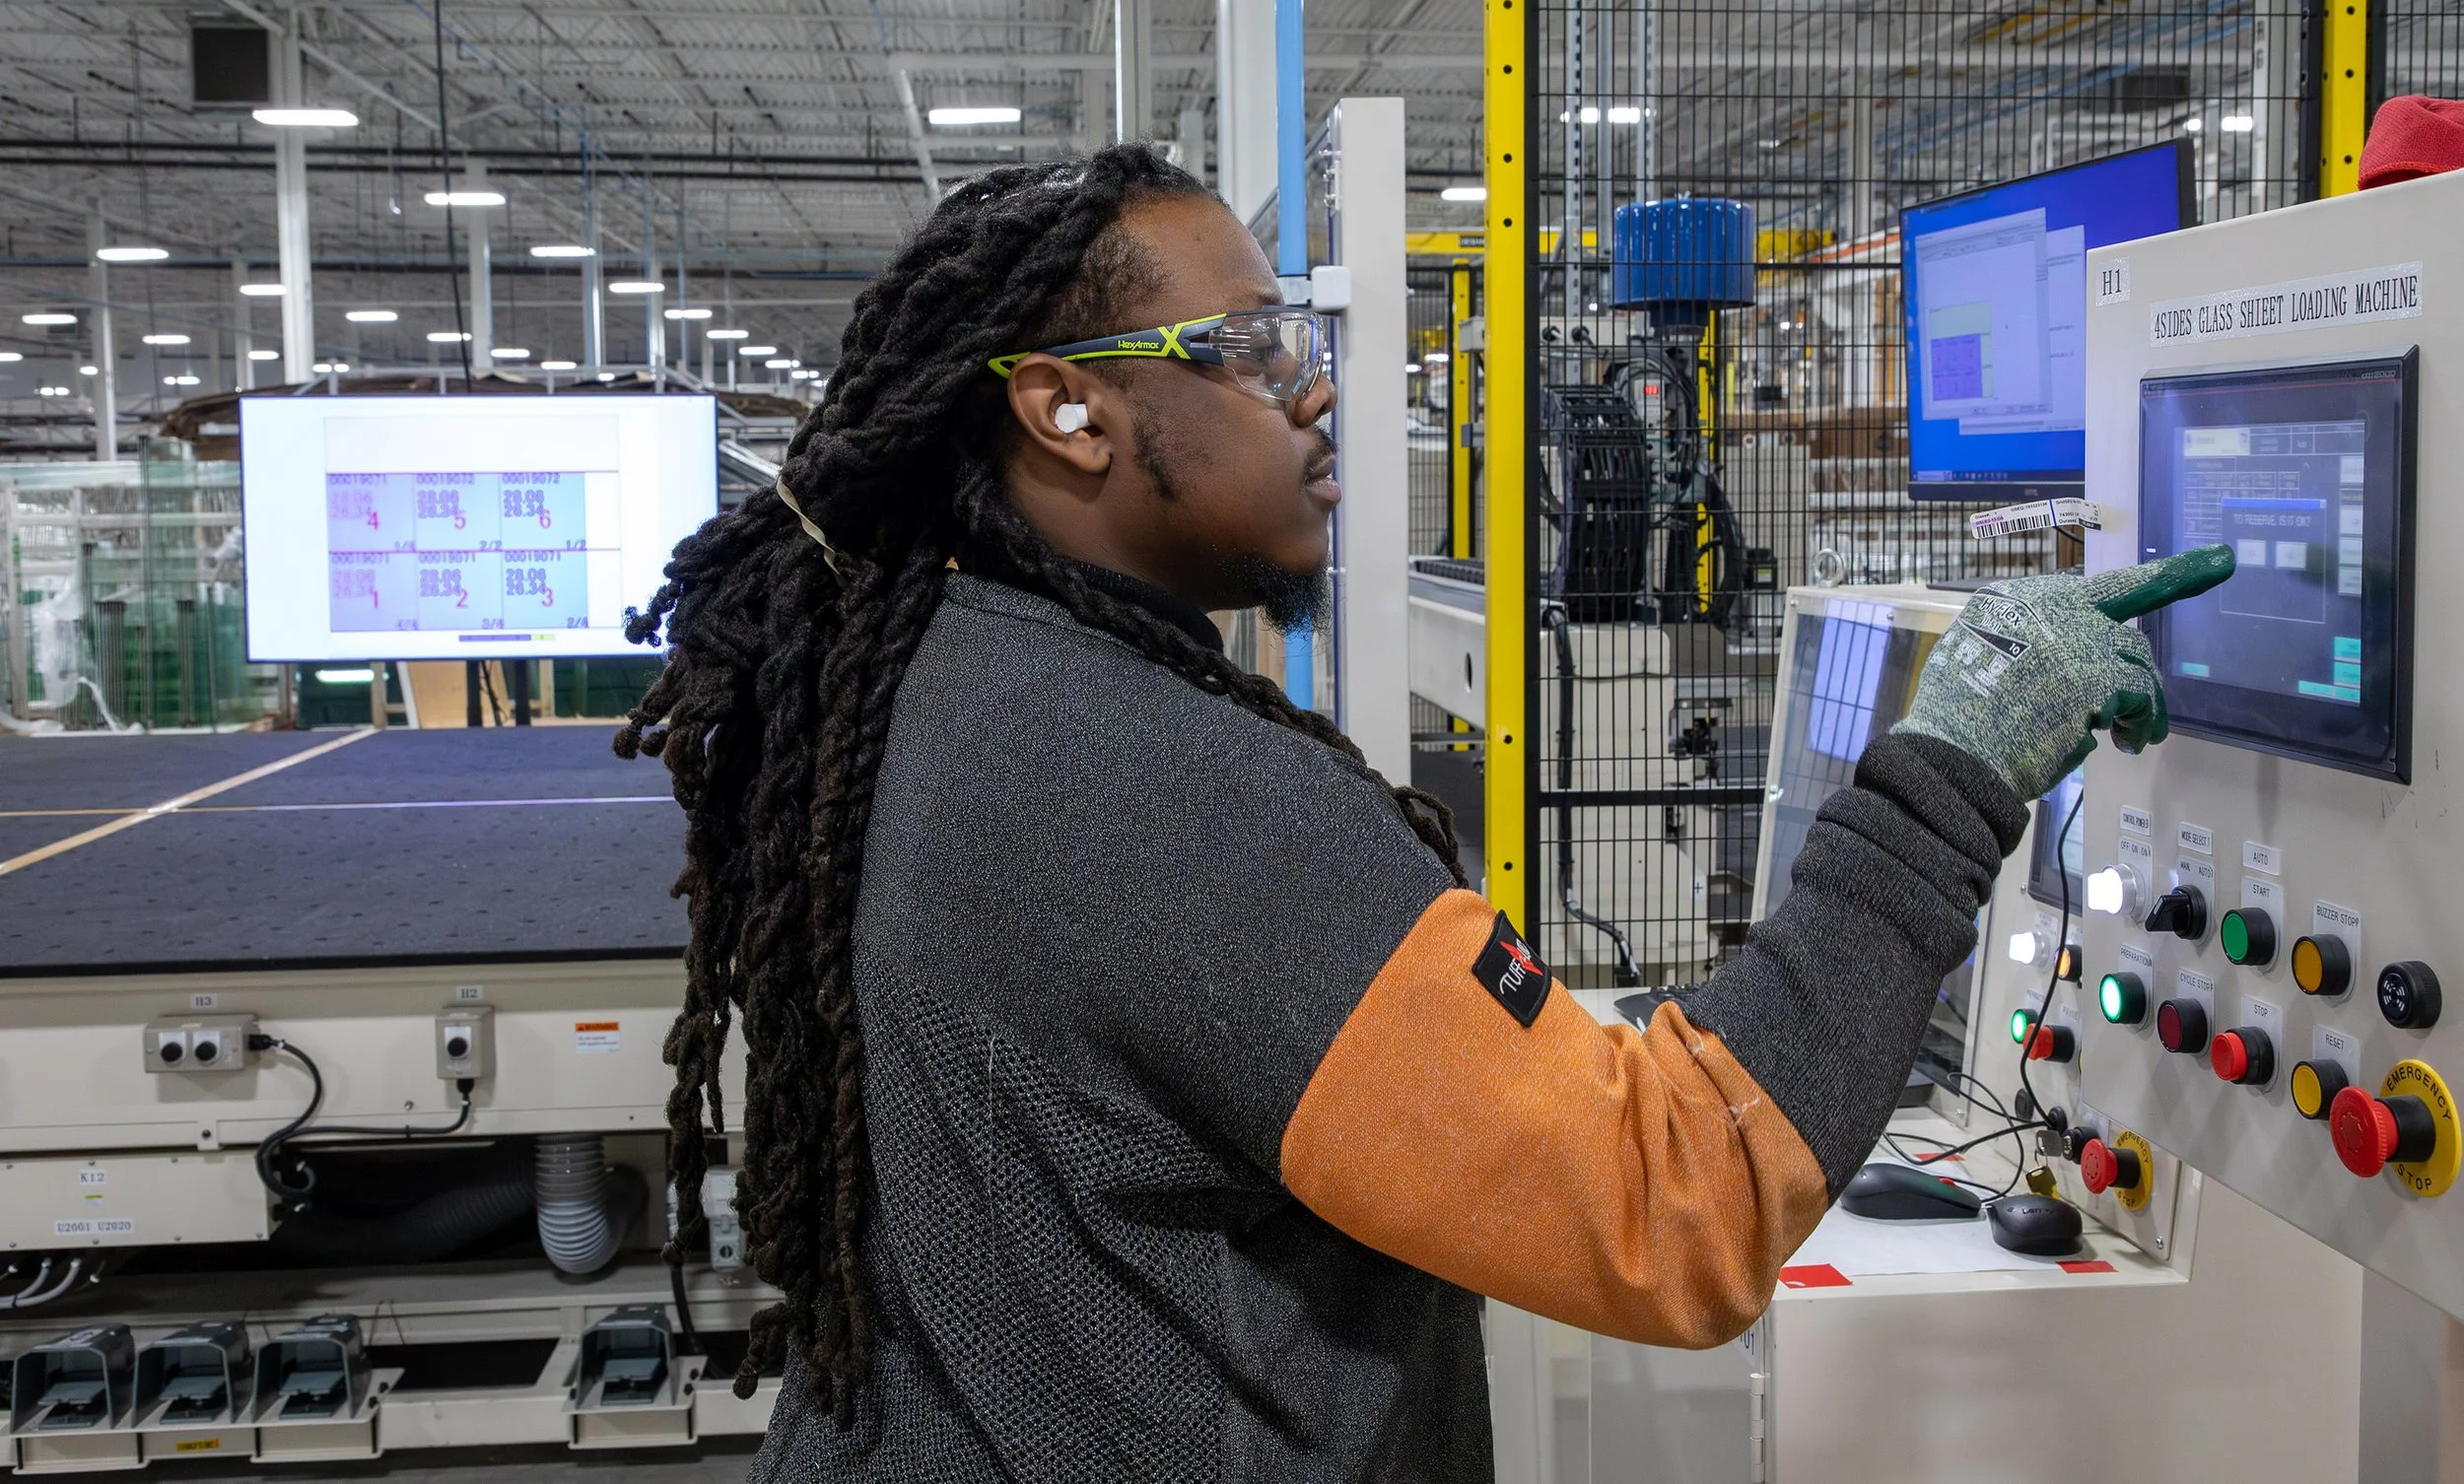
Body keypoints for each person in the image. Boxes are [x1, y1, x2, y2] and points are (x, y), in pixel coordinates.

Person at [618, 145, 2231, 1483]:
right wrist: (1947, 772)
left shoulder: (939, 675)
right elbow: (1673, 1203)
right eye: (1249, 351)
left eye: (1306, 346)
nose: (1314, 399)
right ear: (1066, 410)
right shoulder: (1150, 788)